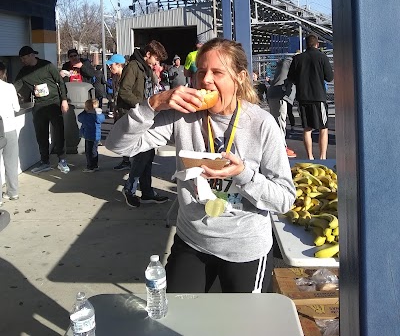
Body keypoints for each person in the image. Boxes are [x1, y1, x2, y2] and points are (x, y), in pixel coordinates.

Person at [106, 38, 295, 293]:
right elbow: (118, 145)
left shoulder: (261, 124)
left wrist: (243, 174)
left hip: (245, 247)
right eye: (201, 71)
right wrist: (153, 105)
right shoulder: (181, 116)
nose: (205, 80)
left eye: (217, 72)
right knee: (178, 321)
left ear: (239, 77)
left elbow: (284, 199)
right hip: (192, 240)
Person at [115, 40, 169, 207]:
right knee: (142, 155)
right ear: (148, 55)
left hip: (144, 115)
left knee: (148, 153)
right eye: (156, 59)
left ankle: (147, 192)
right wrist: (144, 105)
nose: (156, 63)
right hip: (135, 115)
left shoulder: (145, 68)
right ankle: (130, 189)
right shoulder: (133, 66)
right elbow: (124, 92)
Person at [14, 46, 70, 174]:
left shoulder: (47, 66)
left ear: (32, 55)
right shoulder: (24, 72)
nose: (23, 61)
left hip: (54, 103)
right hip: (39, 106)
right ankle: (45, 161)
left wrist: (64, 99)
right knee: (41, 134)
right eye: (21, 59)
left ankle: (62, 159)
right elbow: (14, 87)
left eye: (24, 58)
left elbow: (60, 82)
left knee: (59, 131)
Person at [288, 35, 334, 160]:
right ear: (317, 44)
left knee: (307, 128)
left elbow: (290, 77)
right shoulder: (322, 57)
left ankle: (310, 156)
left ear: (306, 44)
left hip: (303, 97)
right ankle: (323, 157)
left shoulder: (297, 59)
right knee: (323, 128)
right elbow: (329, 77)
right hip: (318, 97)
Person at [266, 57, 297, 158]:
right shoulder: (290, 65)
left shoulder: (281, 68)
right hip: (279, 95)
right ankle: (281, 148)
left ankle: (279, 147)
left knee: (277, 121)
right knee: (280, 122)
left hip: (273, 94)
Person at [0, 62, 21, 205]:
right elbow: (17, 108)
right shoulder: (9, 87)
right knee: (11, 162)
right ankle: (13, 192)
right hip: (9, 129)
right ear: (3, 72)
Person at [105, 54, 129, 168]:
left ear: (119, 65)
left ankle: (130, 161)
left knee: (127, 136)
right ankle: (126, 160)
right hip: (118, 110)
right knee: (121, 136)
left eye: (111, 65)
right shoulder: (115, 77)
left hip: (127, 111)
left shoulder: (127, 77)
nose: (110, 67)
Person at [77, 98, 105, 172]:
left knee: (89, 152)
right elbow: (102, 118)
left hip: (89, 136)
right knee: (94, 151)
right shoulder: (99, 116)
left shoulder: (87, 116)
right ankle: (95, 165)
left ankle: (90, 166)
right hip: (96, 136)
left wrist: (84, 111)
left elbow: (79, 118)